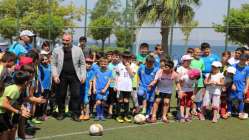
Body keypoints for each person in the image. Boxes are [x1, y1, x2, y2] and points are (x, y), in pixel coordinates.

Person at [51, 33, 86, 122]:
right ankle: (61, 113)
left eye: (67, 40)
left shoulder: (78, 50)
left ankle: (75, 114)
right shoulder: (56, 50)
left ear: (71, 40)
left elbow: (82, 64)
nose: (65, 42)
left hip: (75, 76)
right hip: (61, 76)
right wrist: (55, 75)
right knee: (61, 95)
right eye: (63, 40)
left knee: (76, 95)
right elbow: (53, 64)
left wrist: (83, 75)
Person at [0, 71, 31, 140]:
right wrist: (18, 112)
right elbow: (4, 104)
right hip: (1, 112)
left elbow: (11, 103)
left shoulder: (16, 89)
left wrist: (21, 108)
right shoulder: (14, 90)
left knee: (10, 129)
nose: (30, 82)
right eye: (29, 80)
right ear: (26, 82)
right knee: (5, 131)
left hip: (3, 113)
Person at [115, 52, 135, 123]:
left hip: (128, 87)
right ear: (122, 58)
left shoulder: (133, 65)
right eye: (125, 58)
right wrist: (115, 85)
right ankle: (118, 115)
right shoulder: (119, 65)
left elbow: (132, 75)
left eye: (128, 58)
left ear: (130, 58)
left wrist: (128, 67)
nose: (127, 59)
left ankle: (126, 115)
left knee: (126, 101)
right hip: (120, 87)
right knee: (120, 101)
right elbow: (117, 75)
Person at [228, 54, 249, 119]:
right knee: (231, 99)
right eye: (241, 59)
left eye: (244, 60)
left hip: (241, 86)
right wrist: (232, 84)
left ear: (247, 60)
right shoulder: (233, 66)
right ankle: (229, 112)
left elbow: (247, 79)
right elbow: (229, 76)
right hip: (233, 86)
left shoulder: (247, 68)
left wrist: (246, 88)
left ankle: (240, 113)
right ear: (239, 59)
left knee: (240, 99)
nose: (242, 61)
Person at [107, 50, 120, 118]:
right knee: (111, 99)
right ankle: (110, 112)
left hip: (118, 86)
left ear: (119, 58)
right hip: (111, 85)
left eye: (117, 57)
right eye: (114, 57)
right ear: (111, 57)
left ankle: (118, 112)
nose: (115, 58)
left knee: (118, 99)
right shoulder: (109, 65)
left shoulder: (120, 65)